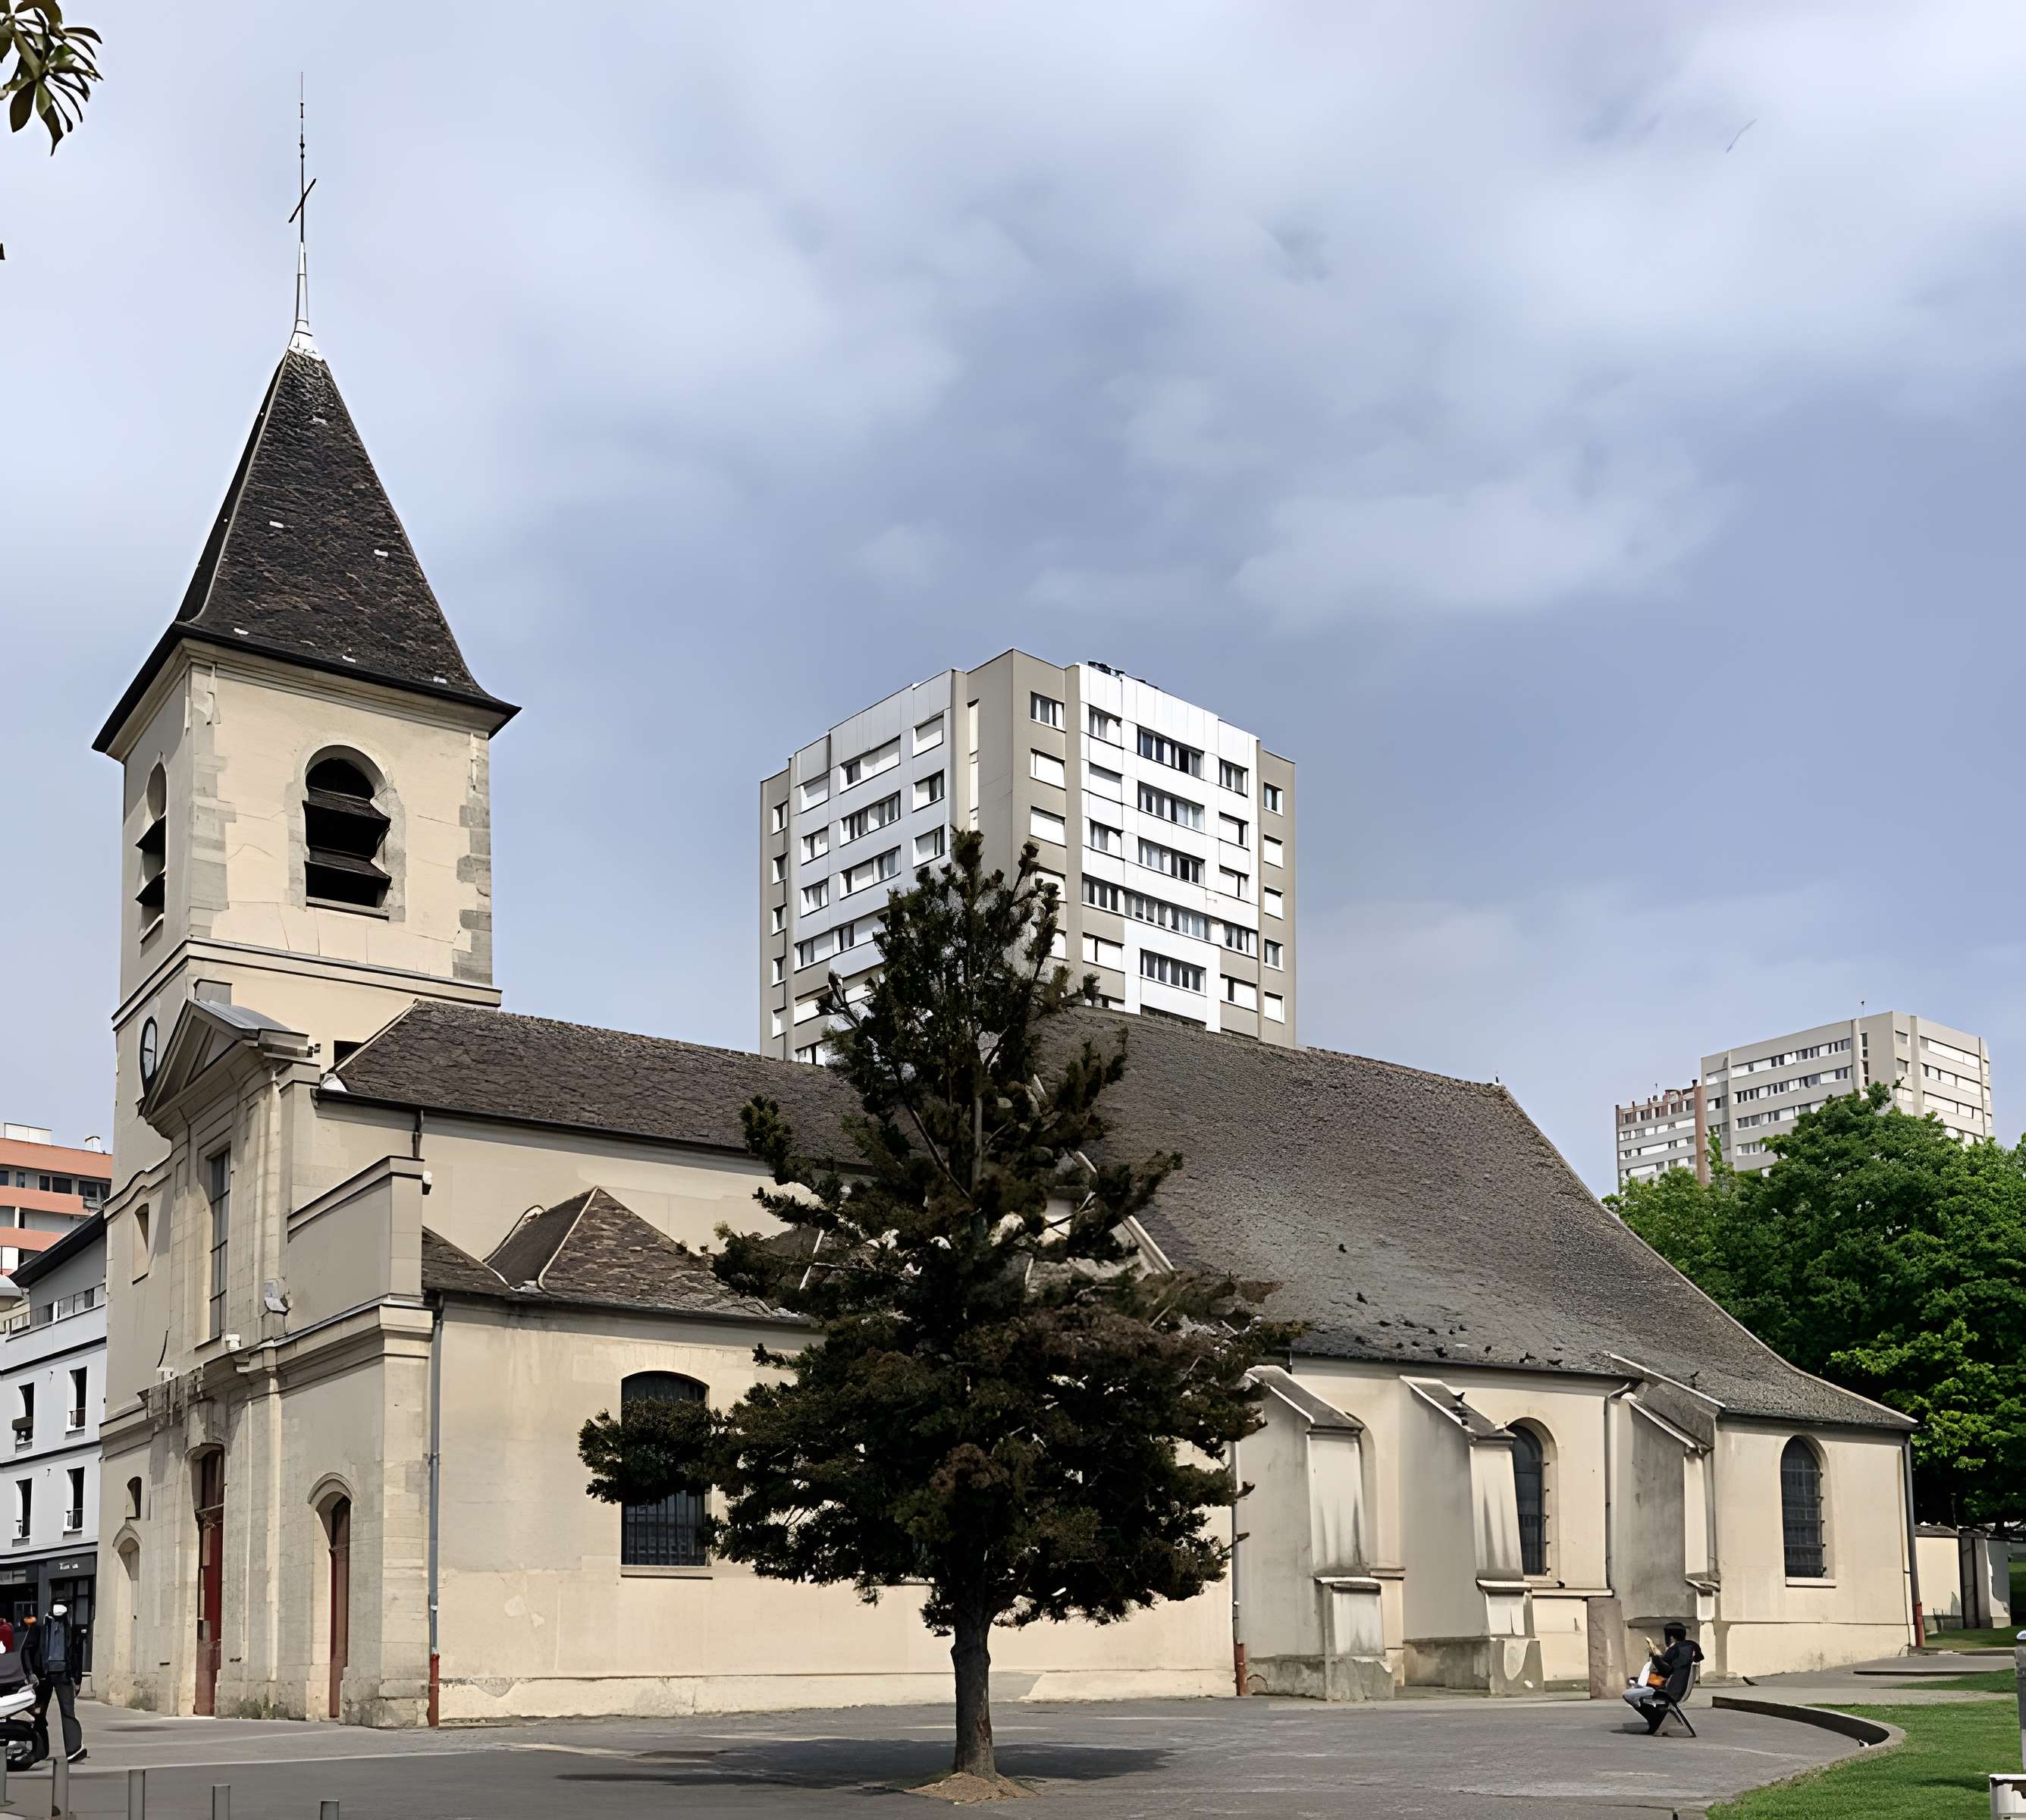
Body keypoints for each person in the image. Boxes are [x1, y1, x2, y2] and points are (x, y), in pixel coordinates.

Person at [22, 1603, 83, 1763]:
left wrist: (77, 1680)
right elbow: (26, 1649)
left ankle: (70, 1750)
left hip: (57, 1675)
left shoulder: (64, 1630)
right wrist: (30, 1673)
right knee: (43, 1712)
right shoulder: (45, 1629)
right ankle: (47, 1750)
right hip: (47, 1676)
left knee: (60, 1712)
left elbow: (76, 1655)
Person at [1635, 1621, 1703, 1735]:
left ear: (1671, 1637)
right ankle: (1658, 1719)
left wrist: (1655, 1658)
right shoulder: (1690, 1648)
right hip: (1680, 1691)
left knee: (1630, 1695)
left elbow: (1665, 1672)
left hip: (1670, 1693)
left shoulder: (1675, 1650)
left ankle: (1655, 1721)